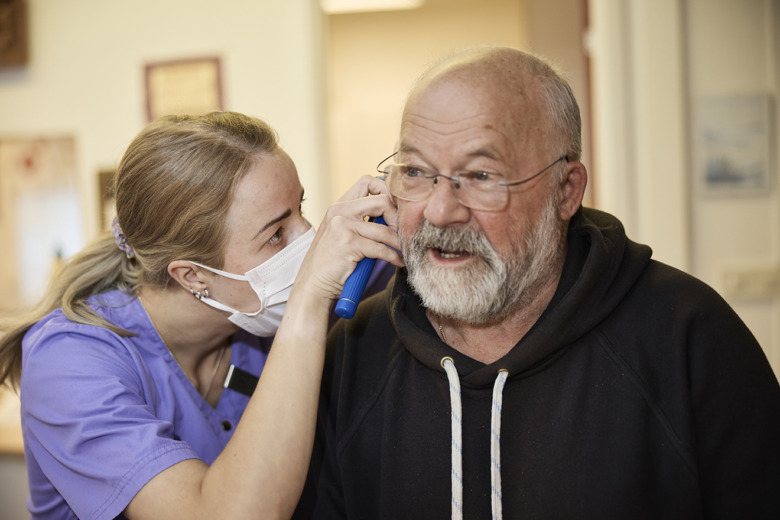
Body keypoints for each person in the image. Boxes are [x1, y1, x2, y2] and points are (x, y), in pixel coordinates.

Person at [296, 47, 780, 519]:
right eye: (418, 172)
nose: (441, 211)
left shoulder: (690, 338)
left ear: (566, 190)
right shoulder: (352, 350)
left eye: (482, 175)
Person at [0, 111, 402, 519]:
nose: (310, 241)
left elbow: (411, 248)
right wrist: (308, 300)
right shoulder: (69, 362)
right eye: (277, 234)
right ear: (192, 275)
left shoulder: (255, 312)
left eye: (300, 208)